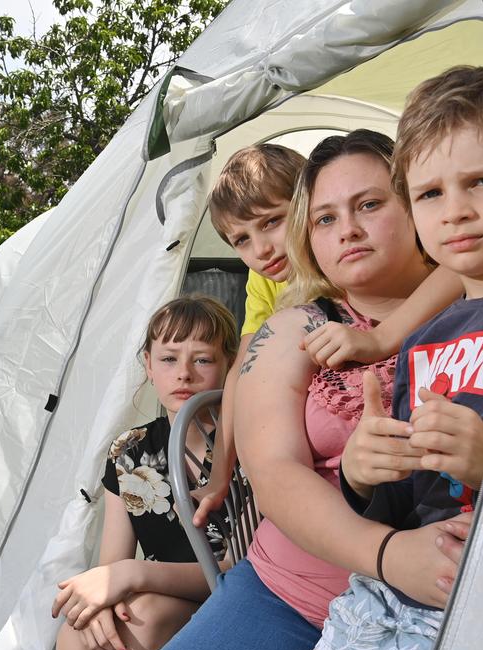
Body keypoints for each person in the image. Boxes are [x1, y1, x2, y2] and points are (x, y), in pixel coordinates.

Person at [121, 129, 463, 650]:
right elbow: (275, 472)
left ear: (418, 202)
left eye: (370, 204)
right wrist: (387, 556)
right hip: (298, 594)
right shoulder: (292, 329)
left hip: (452, 598)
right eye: (325, 218)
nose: (347, 230)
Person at [262, 65, 483, 650]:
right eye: (430, 194)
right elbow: (400, 505)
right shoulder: (424, 341)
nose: (457, 211)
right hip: (383, 593)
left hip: (468, 602)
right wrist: (363, 473)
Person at [193, 143, 464, 529]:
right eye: (241, 241)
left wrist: (384, 336)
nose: (262, 249)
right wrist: (220, 474)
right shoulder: (272, 285)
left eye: (272, 222)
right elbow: (244, 363)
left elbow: (454, 269)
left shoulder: (366, 271)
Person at [52, 296, 239, 650]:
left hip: (232, 595)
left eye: (203, 359)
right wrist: (99, 606)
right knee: (75, 637)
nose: (184, 374)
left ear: (229, 363)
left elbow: (239, 567)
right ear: (148, 365)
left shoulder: (246, 443)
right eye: (169, 359)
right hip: (155, 595)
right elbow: (112, 563)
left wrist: (132, 574)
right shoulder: (129, 450)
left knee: (143, 617)